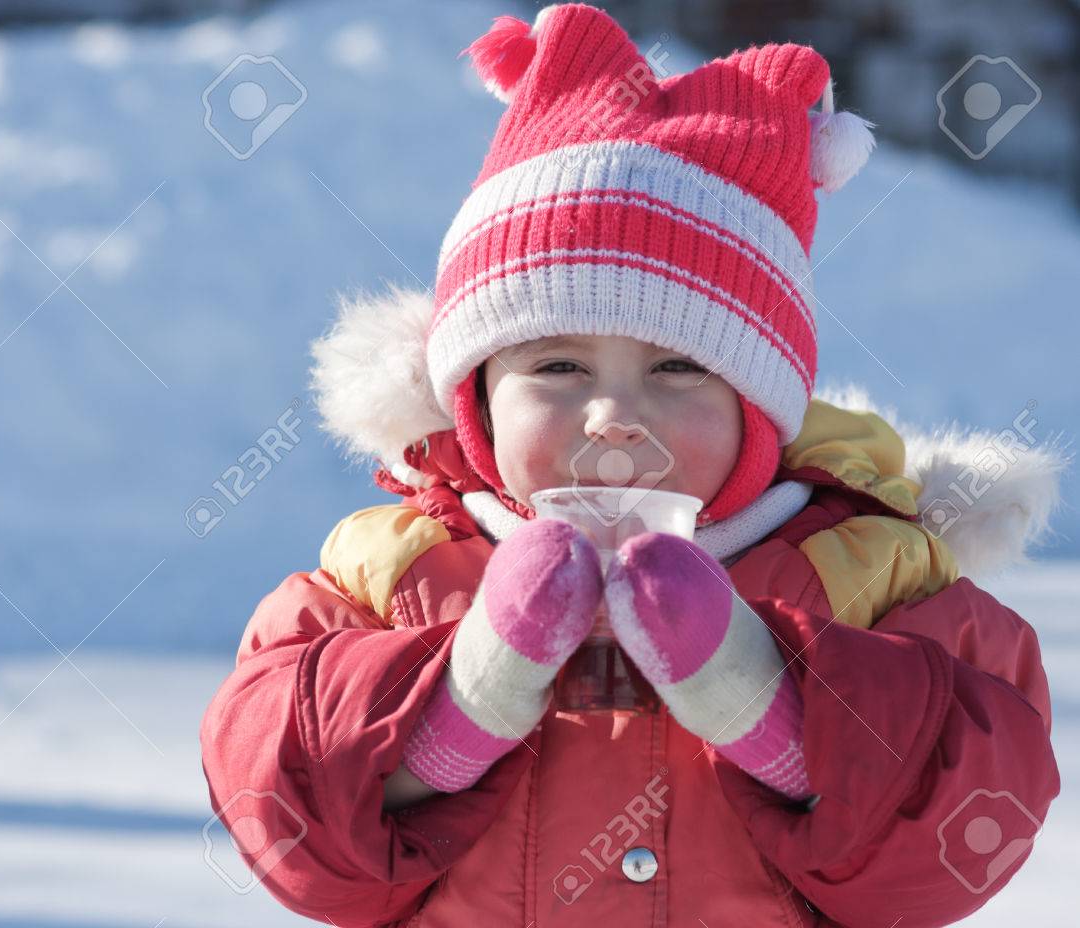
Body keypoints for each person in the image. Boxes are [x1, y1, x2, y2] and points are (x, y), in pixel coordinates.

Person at [201, 5, 1064, 925]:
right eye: (559, 367)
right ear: (474, 396)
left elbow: (963, 827)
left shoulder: (864, 571)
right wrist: (465, 704)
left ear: (762, 408)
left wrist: (755, 698)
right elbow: (287, 814)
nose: (614, 417)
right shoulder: (394, 570)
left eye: (679, 369)